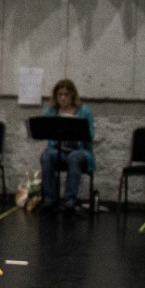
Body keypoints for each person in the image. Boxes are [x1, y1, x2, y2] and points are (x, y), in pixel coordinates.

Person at [38, 78, 95, 215]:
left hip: (79, 151)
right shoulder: (51, 112)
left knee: (74, 158)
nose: (63, 98)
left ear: (72, 95)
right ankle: (49, 200)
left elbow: (90, 136)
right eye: (60, 95)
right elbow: (45, 132)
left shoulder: (84, 111)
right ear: (56, 96)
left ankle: (69, 202)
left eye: (66, 94)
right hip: (58, 151)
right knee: (46, 156)